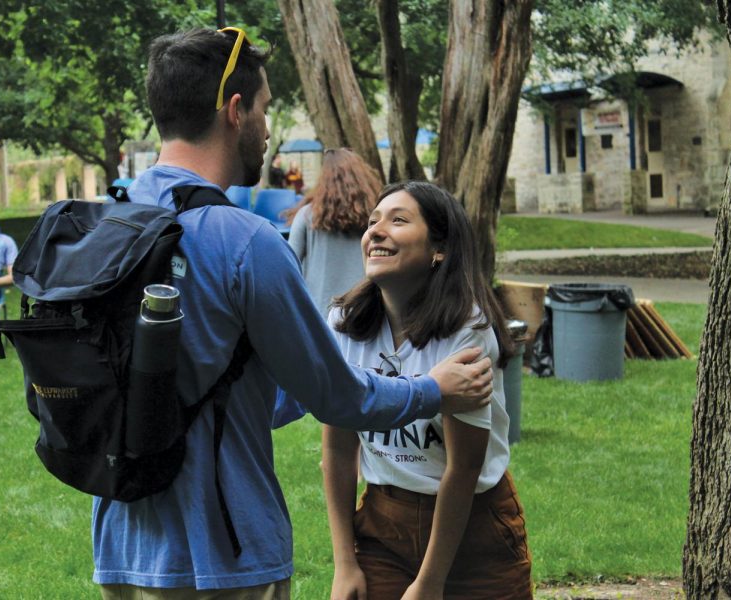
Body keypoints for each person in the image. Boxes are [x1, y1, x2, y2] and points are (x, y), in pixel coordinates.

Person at [93, 27, 496, 600]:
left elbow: (225, 390)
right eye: (264, 109)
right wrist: (433, 389)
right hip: (224, 555)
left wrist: (299, 377)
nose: (265, 128)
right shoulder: (247, 241)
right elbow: (343, 400)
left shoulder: (106, 226)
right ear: (235, 111)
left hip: (121, 547)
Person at [323, 181, 533, 600]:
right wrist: (345, 563)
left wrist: (431, 581)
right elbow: (338, 451)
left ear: (440, 249)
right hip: (384, 524)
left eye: (398, 220)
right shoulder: (344, 323)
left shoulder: (466, 331)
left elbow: (463, 468)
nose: (376, 231)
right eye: (373, 221)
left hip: (474, 525)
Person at [286, 148, 382, 315]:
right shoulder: (376, 216)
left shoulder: (307, 215)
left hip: (319, 316)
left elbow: (287, 267)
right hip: (366, 312)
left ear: (323, 179)